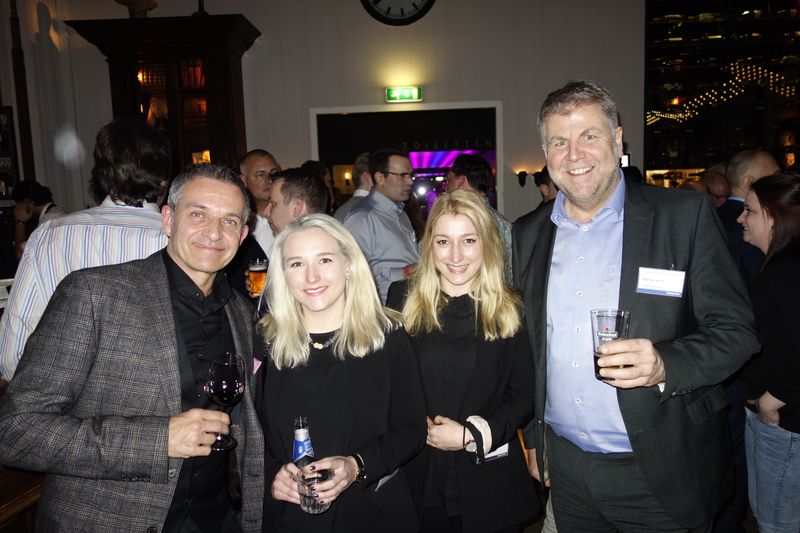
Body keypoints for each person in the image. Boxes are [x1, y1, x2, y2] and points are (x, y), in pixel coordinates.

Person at [513, 80, 759, 531]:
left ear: (617, 140)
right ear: (546, 154)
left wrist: (665, 363)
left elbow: (737, 331)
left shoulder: (683, 217)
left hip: (660, 469)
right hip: (566, 470)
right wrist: (533, 437)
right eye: (559, 142)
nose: (574, 155)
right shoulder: (526, 235)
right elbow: (526, 350)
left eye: (589, 135)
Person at [0, 163, 264, 532]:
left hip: (216, 519)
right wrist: (158, 440)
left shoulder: (241, 313)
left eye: (230, 221)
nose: (214, 233)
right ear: (168, 219)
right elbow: (17, 431)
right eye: (198, 214)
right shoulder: (95, 294)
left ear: (244, 233)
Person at [254, 214, 426, 532]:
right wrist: (272, 475)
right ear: (282, 274)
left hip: (371, 512)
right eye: (296, 264)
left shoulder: (388, 336)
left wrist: (356, 466)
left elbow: (412, 431)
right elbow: (251, 434)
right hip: (290, 517)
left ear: (348, 264)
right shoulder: (265, 341)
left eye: (324, 259)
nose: (311, 276)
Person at [386, 190, 537, 533]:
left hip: (487, 476)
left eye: (468, 240)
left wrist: (471, 435)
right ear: (429, 246)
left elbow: (524, 396)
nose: (455, 255)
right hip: (418, 471)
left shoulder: (512, 306)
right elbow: (389, 382)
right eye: (443, 241)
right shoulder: (401, 297)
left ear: (487, 244)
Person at [0, 118, 171, 380]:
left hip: (64, 408)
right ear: (163, 181)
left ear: (101, 175)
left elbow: (12, 355)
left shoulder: (49, 236)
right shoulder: (182, 238)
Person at [737, 174, 800, 533]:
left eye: (749, 211)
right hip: (778, 416)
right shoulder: (780, 266)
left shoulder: (787, 270)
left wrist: (770, 401)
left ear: (773, 218)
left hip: (785, 421)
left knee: (777, 523)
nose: (740, 218)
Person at [344, 147, 419, 303]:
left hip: (409, 307)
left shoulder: (400, 212)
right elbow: (352, 275)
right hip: (384, 315)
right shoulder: (362, 217)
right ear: (379, 177)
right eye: (403, 175)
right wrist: (406, 271)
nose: (410, 181)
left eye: (410, 175)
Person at [446, 154, 513, 283]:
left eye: (449, 180)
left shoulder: (462, 220)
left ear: (461, 180)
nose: (446, 187)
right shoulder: (503, 223)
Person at [718, 149, 780, 285]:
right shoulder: (756, 223)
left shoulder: (713, 216)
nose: (779, 181)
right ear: (749, 182)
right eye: (774, 176)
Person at [225, 149, 281, 300]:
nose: (269, 179)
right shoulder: (234, 224)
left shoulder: (289, 219)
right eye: (260, 174)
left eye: (273, 173)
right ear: (243, 180)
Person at [11, 180, 66, 259]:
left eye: (18, 205)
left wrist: (19, 222)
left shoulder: (48, 221)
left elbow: (21, 254)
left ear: (27, 202)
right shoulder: (55, 212)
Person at [334, 152, 372, 223]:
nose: (381, 179)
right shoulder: (373, 209)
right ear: (366, 177)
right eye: (378, 175)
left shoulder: (341, 210)